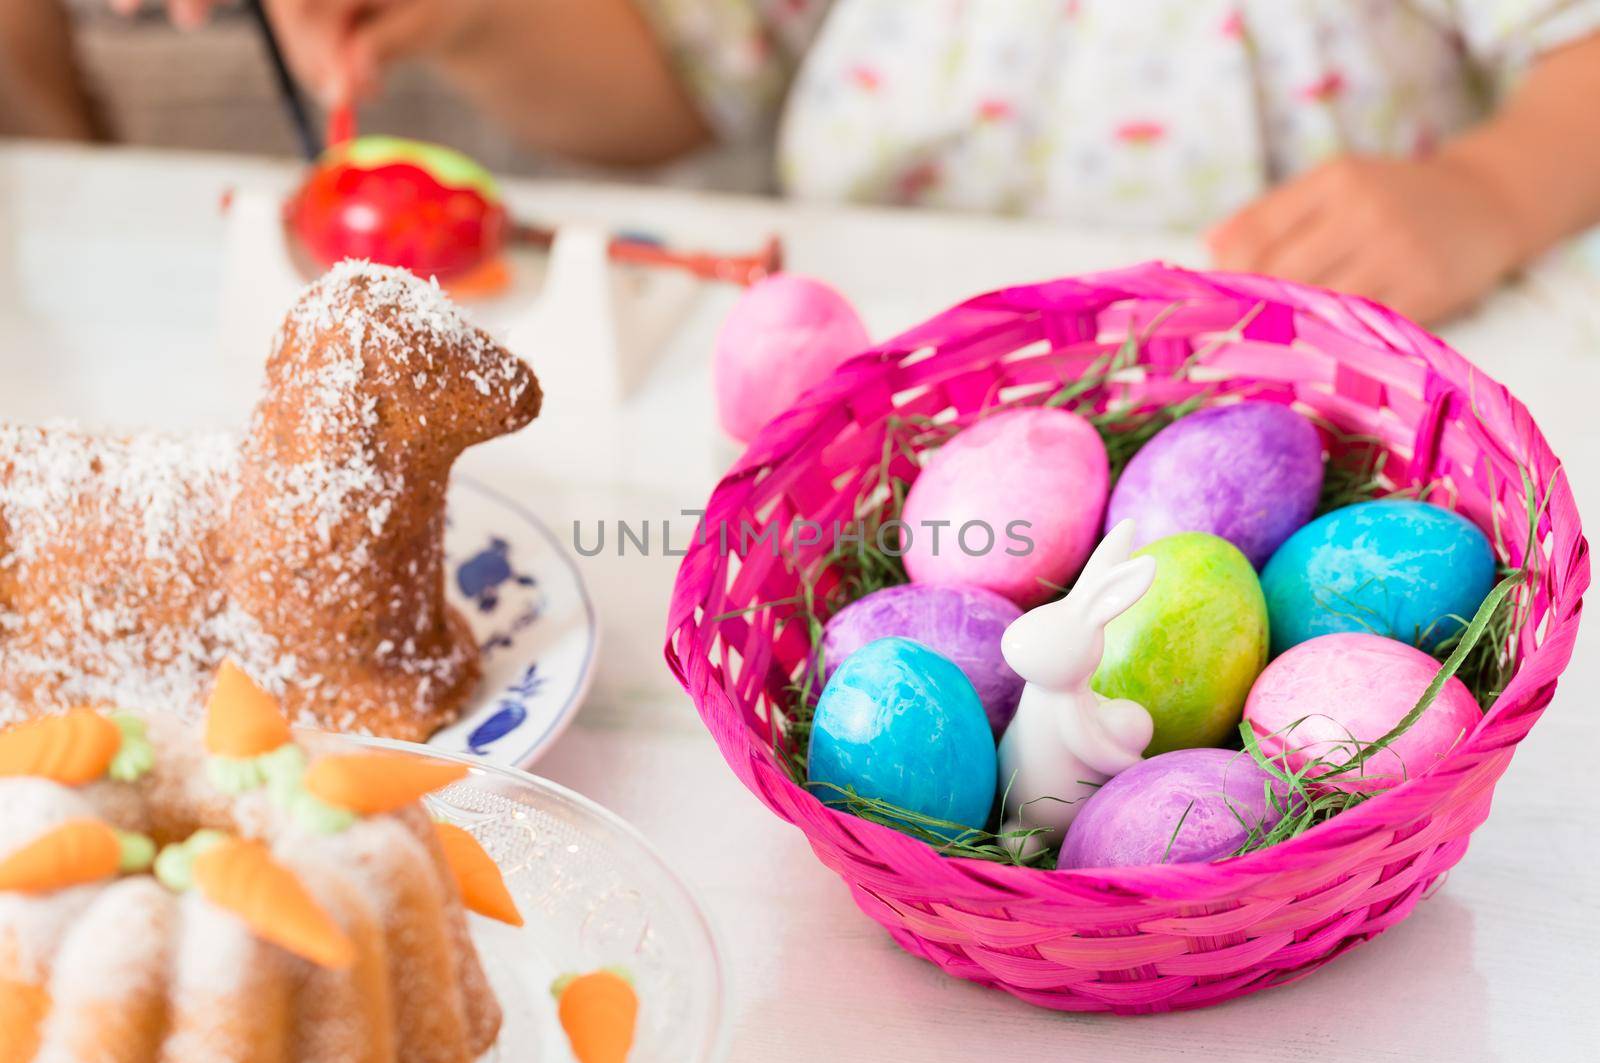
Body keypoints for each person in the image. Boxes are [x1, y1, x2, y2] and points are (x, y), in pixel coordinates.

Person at [101, 1, 1600, 324]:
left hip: (1316, 344)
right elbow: (670, 98)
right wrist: (477, 20)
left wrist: (1493, 188)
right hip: (870, 357)